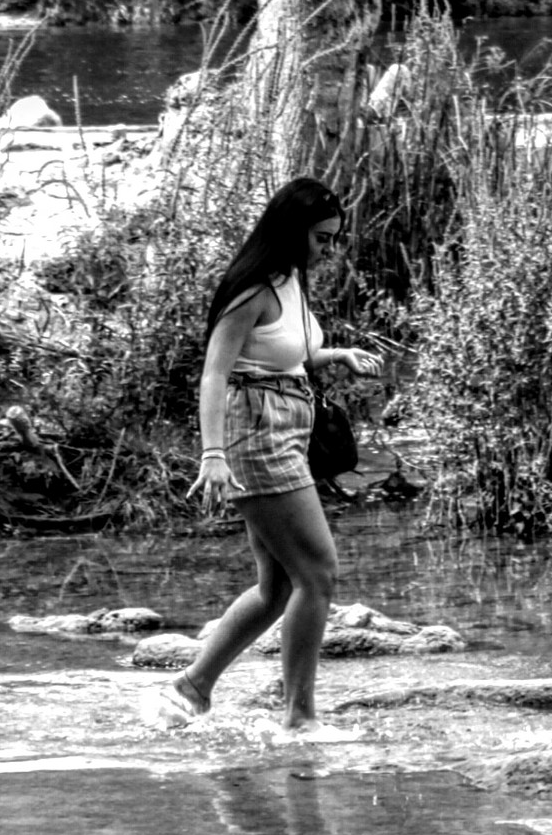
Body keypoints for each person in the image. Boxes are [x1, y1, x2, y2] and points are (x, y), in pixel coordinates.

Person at [143, 177, 382, 740]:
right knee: (319, 574)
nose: (328, 250)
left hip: (287, 428)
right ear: (291, 229)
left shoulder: (291, 281)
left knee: (279, 587)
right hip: (256, 435)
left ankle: (189, 690)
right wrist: (213, 455)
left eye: (333, 239)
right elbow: (215, 373)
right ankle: (300, 718)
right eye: (322, 238)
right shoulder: (251, 289)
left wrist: (335, 354)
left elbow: (282, 355)